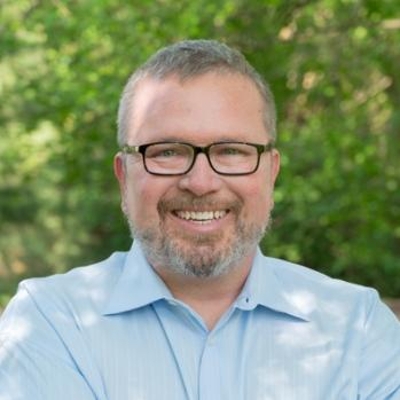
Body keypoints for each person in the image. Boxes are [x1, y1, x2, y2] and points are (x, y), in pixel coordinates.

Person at [0, 40, 399, 400]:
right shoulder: (51, 321)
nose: (201, 182)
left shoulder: (357, 328)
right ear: (124, 177)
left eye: (232, 151)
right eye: (167, 152)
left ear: (271, 172)